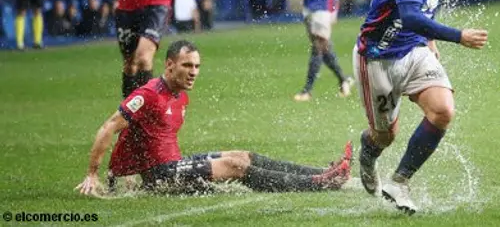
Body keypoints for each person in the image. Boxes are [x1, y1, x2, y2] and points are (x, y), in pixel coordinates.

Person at [75, 40, 352, 196]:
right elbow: (110, 126)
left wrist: (127, 172)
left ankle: (321, 172)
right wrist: (94, 174)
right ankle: (319, 183)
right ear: (169, 65)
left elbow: (142, 136)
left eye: (197, 66)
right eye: (187, 65)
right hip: (160, 176)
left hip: (173, 166)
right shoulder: (148, 94)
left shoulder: (180, 95)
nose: (193, 71)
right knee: (234, 165)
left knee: (245, 155)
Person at [353, 0, 488, 214]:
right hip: (377, 57)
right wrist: (457, 36)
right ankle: (368, 151)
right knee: (384, 136)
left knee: (442, 111)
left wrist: (428, 40)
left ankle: (400, 181)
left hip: (414, 51)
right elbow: (411, 16)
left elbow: (427, 8)